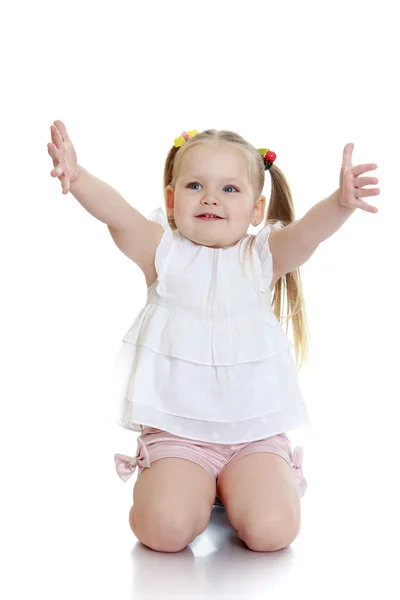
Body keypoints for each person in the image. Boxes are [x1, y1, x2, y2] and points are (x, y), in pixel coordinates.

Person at [48, 122, 380, 553]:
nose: (210, 197)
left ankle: (240, 487)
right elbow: (119, 215)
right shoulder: (162, 253)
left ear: (257, 209)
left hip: (253, 435)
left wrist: (341, 204)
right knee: (162, 531)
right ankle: (193, 486)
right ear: (171, 200)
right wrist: (78, 178)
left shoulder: (262, 258)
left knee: (272, 532)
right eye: (195, 185)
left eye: (229, 189)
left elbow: (309, 233)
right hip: (178, 435)